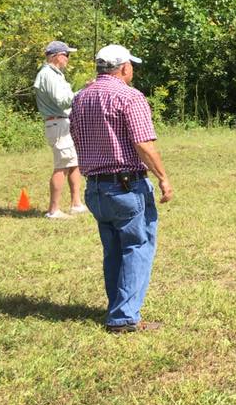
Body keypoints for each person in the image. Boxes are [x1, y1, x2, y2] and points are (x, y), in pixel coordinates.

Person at [70, 44, 174, 333]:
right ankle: (124, 316)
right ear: (124, 67)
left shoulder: (80, 98)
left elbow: (76, 136)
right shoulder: (130, 96)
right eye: (132, 66)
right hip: (126, 187)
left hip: (95, 189)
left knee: (113, 249)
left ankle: (118, 307)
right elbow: (143, 143)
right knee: (137, 247)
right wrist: (163, 177)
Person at [33, 40, 88, 219]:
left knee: (73, 163)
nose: (68, 59)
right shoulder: (48, 75)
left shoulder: (55, 74)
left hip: (62, 123)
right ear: (56, 56)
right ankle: (53, 210)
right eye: (67, 55)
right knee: (62, 166)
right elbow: (63, 100)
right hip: (57, 124)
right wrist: (83, 92)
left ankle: (76, 204)